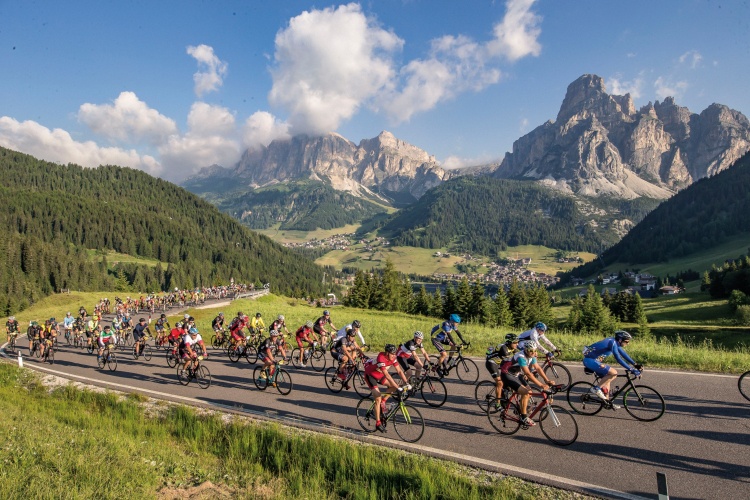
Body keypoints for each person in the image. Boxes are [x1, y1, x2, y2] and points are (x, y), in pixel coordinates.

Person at [499, 340, 554, 426]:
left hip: (516, 374)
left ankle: (520, 408)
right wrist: (541, 385)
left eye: (535, 350)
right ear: (526, 350)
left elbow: (538, 368)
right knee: (525, 392)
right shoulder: (521, 357)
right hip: (507, 375)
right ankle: (524, 417)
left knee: (530, 392)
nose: (533, 352)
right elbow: (528, 374)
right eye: (531, 350)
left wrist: (547, 380)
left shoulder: (531, 356)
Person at [582, 331, 642, 403]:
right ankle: (596, 388)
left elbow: (623, 354)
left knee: (608, 379)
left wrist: (635, 364)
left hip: (594, 361)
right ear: (620, 340)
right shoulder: (612, 343)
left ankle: (607, 402)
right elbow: (619, 359)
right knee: (613, 373)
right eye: (626, 341)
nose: (628, 343)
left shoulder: (614, 342)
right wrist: (632, 370)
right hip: (590, 361)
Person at [363, 344, 411, 432]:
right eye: (392, 354)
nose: (393, 355)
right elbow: (387, 375)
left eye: (394, 354)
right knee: (378, 398)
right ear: (387, 353)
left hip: (379, 375)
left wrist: (406, 383)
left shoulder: (393, 358)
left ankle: (383, 402)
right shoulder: (381, 358)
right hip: (370, 375)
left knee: (392, 387)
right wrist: (397, 387)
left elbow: (399, 371)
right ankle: (378, 423)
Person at [486, 333, 519, 406]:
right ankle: (497, 404)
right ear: (510, 342)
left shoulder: (513, 347)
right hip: (492, 363)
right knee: (500, 383)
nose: (517, 344)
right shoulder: (503, 348)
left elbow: (517, 358)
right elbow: (508, 360)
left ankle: (503, 394)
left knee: (508, 379)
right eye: (515, 342)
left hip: (500, 363)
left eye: (518, 342)